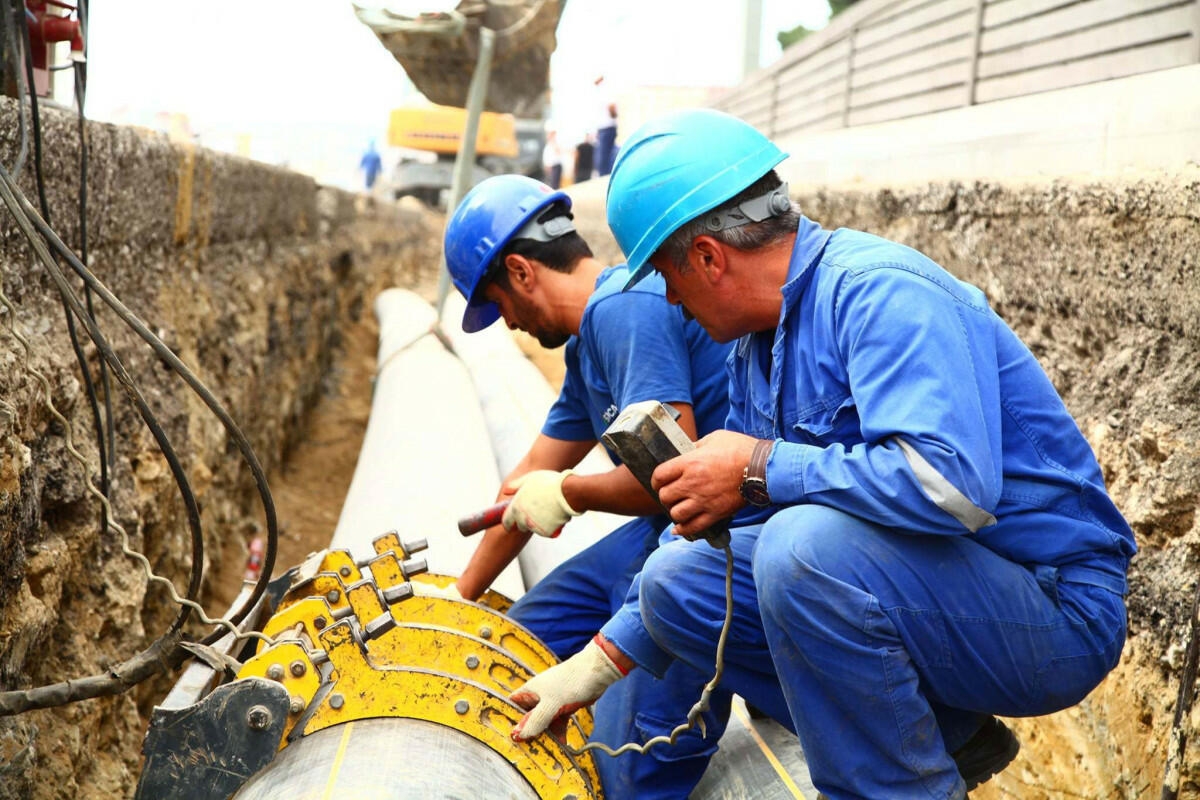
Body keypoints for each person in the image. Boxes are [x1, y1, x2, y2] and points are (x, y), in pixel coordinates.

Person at [510, 109, 1137, 800]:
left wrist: (758, 465)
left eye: (669, 280)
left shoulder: (878, 293)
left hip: (1049, 611)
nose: (676, 308)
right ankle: (952, 734)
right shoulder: (758, 343)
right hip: (939, 598)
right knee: (676, 581)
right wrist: (597, 663)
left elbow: (950, 485)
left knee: (801, 547)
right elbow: (739, 533)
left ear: (710, 258)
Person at [440, 173, 736, 799]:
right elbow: (521, 486)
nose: (509, 325)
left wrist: (571, 493)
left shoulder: (625, 308)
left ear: (521, 272)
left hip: (715, 542)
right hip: (663, 530)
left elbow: (673, 476)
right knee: (501, 652)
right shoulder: (587, 351)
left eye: (498, 305)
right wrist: (460, 605)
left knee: (625, 765)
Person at [591, 75, 618, 177]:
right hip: (606, 128)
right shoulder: (601, 90)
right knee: (606, 157)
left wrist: (613, 115)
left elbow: (611, 106)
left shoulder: (604, 89)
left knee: (603, 159)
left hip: (606, 128)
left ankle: (604, 179)